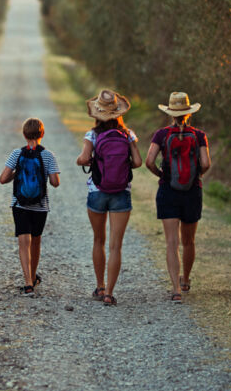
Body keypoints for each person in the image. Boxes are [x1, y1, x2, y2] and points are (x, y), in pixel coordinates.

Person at [144, 92, 212, 304]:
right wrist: (196, 176)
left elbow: (149, 161)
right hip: (192, 191)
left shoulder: (161, 134)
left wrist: (163, 176)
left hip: (168, 191)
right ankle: (186, 280)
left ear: (170, 113)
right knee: (188, 241)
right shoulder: (199, 135)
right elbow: (206, 163)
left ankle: (175, 289)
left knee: (171, 242)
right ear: (189, 113)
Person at [75, 89, 141, 305]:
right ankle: (110, 293)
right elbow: (138, 162)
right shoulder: (128, 134)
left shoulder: (92, 135)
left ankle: (100, 286)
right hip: (122, 192)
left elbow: (83, 159)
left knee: (98, 240)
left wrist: (91, 160)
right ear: (118, 113)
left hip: (97, 191)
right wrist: (122, 165)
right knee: (116, 246)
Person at [0, 118, 60, 296]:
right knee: (36, 241)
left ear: (24, 134)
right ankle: (33, 276)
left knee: (23, 243)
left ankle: (27, 283)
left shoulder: (17, 153)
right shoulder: (48, 155)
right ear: (42, 134)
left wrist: (18, 173)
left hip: (19, 205)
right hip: (40, 206)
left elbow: (2, 179)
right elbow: (55, 182)